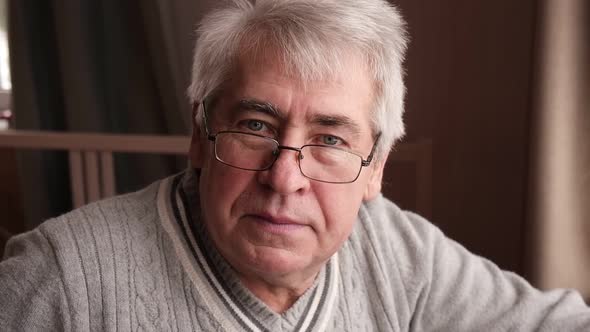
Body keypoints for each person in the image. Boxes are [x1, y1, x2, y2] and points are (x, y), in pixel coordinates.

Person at [1, 0, 589, 330]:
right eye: (256, 127)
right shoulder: (62, 278)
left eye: (331, 139)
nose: (285, 178)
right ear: (200, 137)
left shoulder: (399, 251)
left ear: (376, 167)